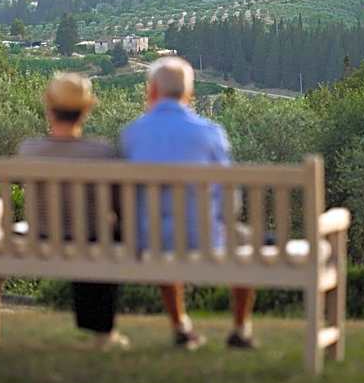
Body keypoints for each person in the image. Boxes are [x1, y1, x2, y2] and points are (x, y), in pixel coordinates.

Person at [120, 57, 255, 350]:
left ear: (151, 91)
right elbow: (230, 198)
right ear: (188, 94)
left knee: (160, 226)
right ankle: (241, 328)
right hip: (202, 237)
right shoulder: (210, 133)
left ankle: (180, 324)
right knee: (244, 238)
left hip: (148, 240)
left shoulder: (132, 133)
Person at [18, 73, 129, 350]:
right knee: (109, 234)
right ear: (87, 109)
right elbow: (119, 205)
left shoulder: (28, 151)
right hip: (91, 240)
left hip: (41, 237)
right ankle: (103, 331)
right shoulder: (102, 152)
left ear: (48, 105)